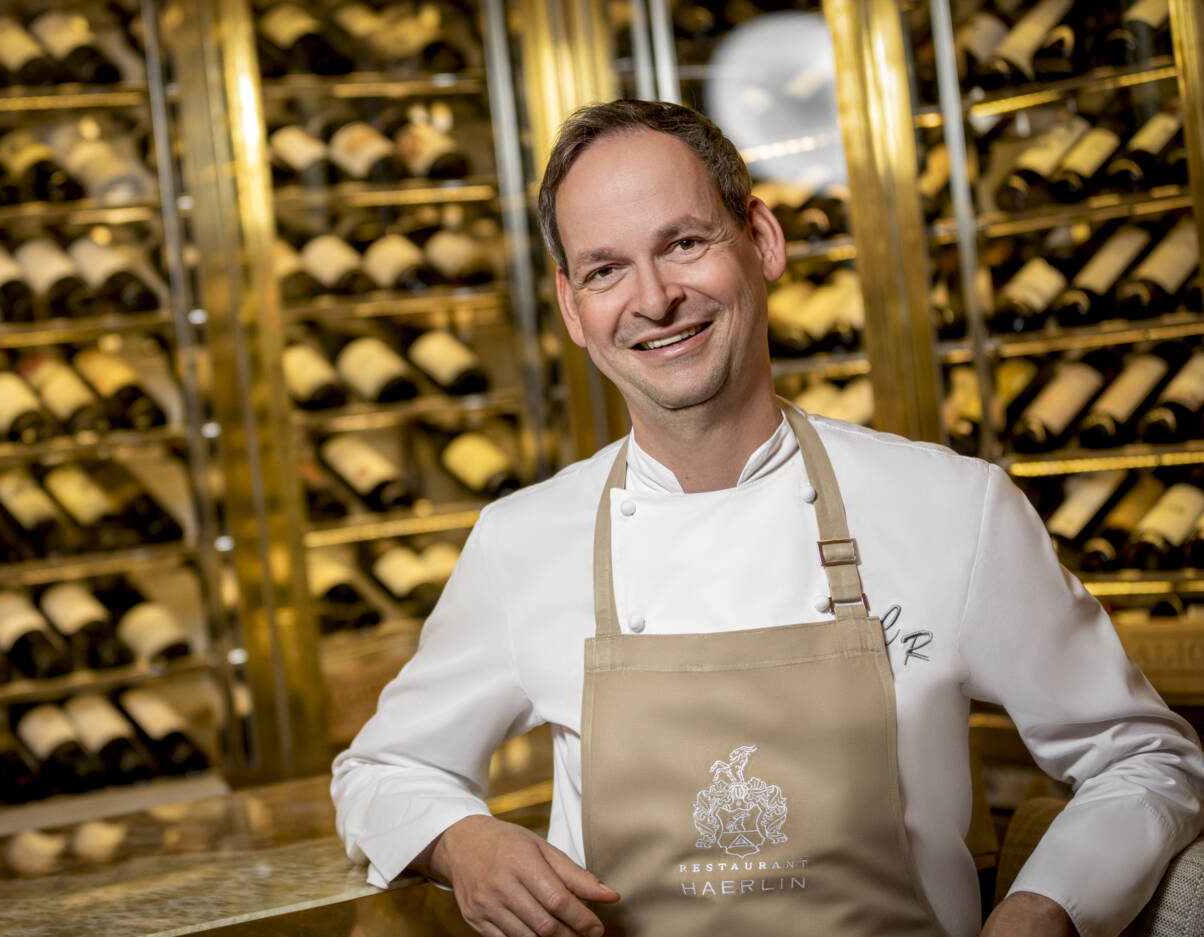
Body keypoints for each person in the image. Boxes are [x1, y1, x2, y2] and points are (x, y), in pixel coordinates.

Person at [330, 99, 1204, 937]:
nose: (655, 298)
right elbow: (381, 770)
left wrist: (1048, 902)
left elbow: (1148, 757)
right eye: (605, 269)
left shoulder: (954, 509)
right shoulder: (523, 542)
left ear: (762, 240)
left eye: (683, 243)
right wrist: (462, 841)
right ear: (571, 308)